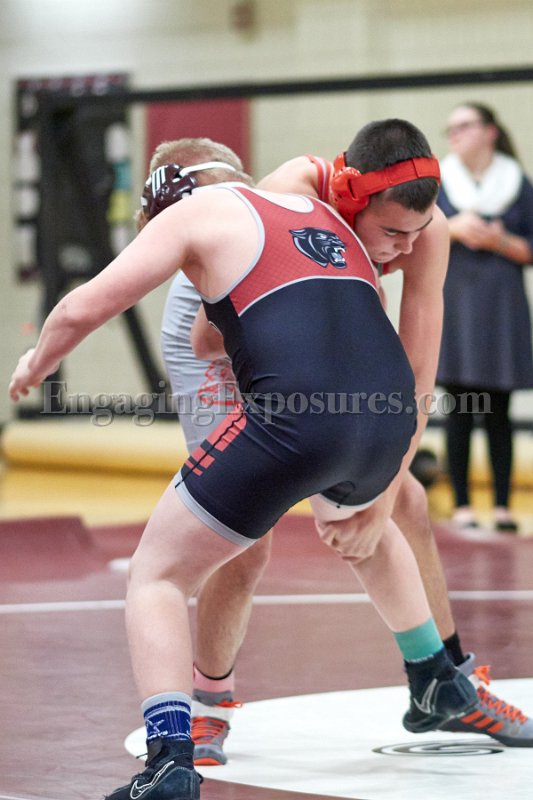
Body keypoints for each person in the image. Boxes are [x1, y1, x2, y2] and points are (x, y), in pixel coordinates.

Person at [10, 133, 479, 800]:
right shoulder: (322, 214)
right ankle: (432, 673)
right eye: (395, 234)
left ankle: (170, 758)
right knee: (344, 524)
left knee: (158, 572)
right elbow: (356, 345)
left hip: (292, 406)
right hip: (377, 407)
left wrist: (36, 363)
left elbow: (85, 306)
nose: (404, 247)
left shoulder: (203, 214)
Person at [156, 130, 533, 768]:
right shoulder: (289, 201)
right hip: (222, 335)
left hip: (311, 333)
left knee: (403, 501)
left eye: (417, 234)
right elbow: (208, 338)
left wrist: (377, 496)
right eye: (391, 235)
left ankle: (443, 681)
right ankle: (209, 703)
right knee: (245, 533)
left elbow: (416, 381)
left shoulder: (424, 233)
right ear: (352, 203)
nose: (404, 249)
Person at [437, 103, 533, 533]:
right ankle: (461, 504)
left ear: (490, 131)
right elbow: (416, 235)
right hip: (457, 306)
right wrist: (454, 229)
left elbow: (529, 247)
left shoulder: (517, 182)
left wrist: (500, 241)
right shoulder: (440, 182)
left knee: (498, 410)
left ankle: (502, 507)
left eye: (464, 125)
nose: (455, 134)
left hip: (501, 309)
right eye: (451, 128)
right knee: (459, 407)